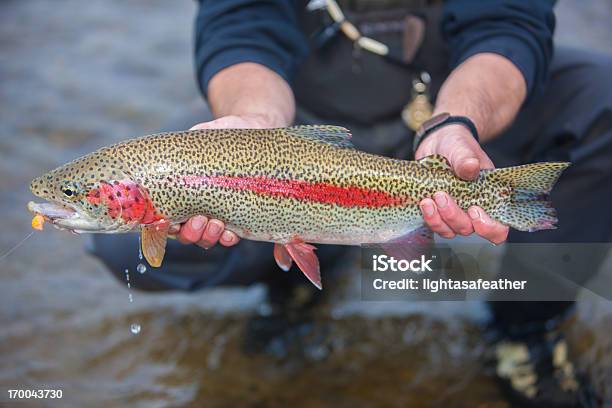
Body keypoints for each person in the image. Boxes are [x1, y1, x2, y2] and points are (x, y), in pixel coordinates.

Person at [91, 0, 611, 405]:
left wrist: (457, 120)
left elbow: (507, 25)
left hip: (456, 102)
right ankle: (300, 274)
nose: (74, 202)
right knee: (124, 250)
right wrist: (254, 127)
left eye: (79, 196)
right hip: (300, 122)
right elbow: (241, 28)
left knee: (604, 104)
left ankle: (527, 328)